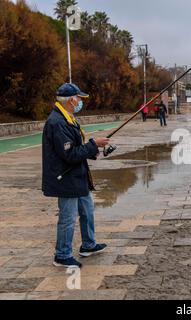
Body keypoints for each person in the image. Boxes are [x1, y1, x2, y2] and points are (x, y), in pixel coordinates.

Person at [42, 83, 109, 268]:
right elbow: (69, 154)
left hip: (78, 177)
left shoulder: (68, 118)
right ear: (71, 100)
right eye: (79, 98)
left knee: (87, 210)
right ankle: (62, 255)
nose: (80, 102)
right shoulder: (56, 122)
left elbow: (76, 149)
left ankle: (88, 245)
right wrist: (94, 144)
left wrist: (92, 150)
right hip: (66, 179)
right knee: (68, 218)